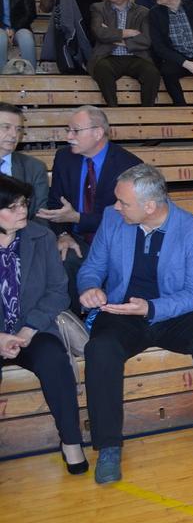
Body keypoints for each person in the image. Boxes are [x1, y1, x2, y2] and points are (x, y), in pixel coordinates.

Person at [79, 164, 193, 484]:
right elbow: (91, 267)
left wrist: (151, 307)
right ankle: (108, 446)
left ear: (150, 206)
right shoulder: (113, 219)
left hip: (172, 311)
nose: (116, 207)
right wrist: (90, 288)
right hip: (122, 311)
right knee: (100, 349)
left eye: (123, 202)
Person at [0, 176, 88, 475]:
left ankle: (71, 441)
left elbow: (58, 291)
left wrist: (28, 329)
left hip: (33, 329)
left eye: (23, 204)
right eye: (12, 207)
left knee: (54, 359)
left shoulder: (41, 236)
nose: (22, 211)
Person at [37, 106, 142, 308]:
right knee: (64, 256)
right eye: (68, 130)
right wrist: (63, 234)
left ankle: (109, 316)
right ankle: (72, 322)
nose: (69, 136)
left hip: (114, 240)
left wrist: (78, 218)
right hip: (76, 237)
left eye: (75, 131)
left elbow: (128, 217)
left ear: (98, 133)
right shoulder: (64, 157)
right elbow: (55, 203)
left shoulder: (130, 165)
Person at [87, 0, 161, 107]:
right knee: (102, 69)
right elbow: (99, 32)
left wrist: (117, 39)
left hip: (135, 56)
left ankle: (147, 111)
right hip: (108, 56)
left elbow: (146, 40)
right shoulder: (98, 8)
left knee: (152, 73)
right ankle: (113, 109)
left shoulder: (143, 12)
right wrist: (127, 32)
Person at [0, 103, 48, 219]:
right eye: (6, 127)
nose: (14, 135)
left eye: (18, 129)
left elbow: (40, 216)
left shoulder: (35, 168)